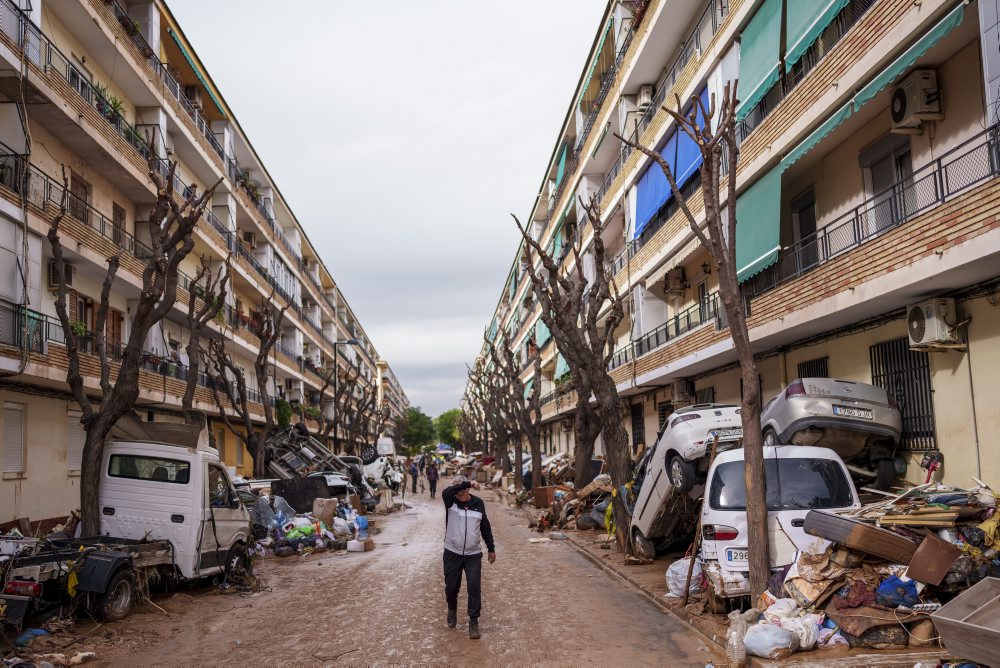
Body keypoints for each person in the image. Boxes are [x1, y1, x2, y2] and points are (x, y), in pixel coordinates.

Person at [442, 478, 495, 639]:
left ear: (468, 490)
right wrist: (466, 483)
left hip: (473, 554)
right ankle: (452, 608)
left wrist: (491, 548)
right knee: (451, 587)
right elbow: (447, 491)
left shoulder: (478, 503)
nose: (459, 490)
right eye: (457, 487)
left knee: (474, 587)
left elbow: (485, 526)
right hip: (452, 552)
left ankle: (473, 621)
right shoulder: (450, 501)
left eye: (462, 487)